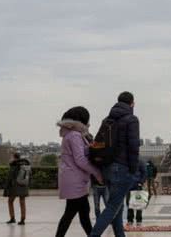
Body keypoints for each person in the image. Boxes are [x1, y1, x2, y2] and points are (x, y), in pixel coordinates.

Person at [90, 91, 141, 237]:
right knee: (113, 207)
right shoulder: (132, 119)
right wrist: (133, 170)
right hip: (122, 168)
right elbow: (133, 146)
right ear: (132, 103)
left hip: (107, 168)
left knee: (116, 207)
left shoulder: (107, 120)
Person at [55, 107, 104, 237]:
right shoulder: (75, 135)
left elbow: (80, 154)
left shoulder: (70, 134)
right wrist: (97, 173)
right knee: (72, 213)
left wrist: (91, 147)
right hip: (75, 180)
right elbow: (80, 160)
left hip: (73, 178)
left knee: (82, 212)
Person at [3, 152, 31, 225]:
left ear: (14, 157)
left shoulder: (14, 165)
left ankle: (12, 218)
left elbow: (10, 177)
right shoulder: (26, 164)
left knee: (10, 201)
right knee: (22, 202)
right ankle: (22, 219)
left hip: (15, 186)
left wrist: (7, 188)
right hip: (24, 185)